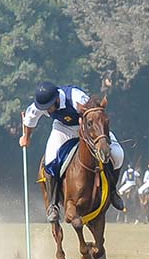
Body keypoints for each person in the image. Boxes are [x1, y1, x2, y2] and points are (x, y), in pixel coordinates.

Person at [19, 81, 125, 222]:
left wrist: (91, 130)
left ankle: (112, 191)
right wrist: (26, 137)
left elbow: (94, 115)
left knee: (118, 154)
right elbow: (29, 121)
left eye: (49, 106)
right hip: (62, 129)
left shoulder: (76, 97)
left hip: (89, 129)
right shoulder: (39, 105)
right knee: (50, 161)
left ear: (57, 98)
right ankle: (53, 205)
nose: (48, 110)